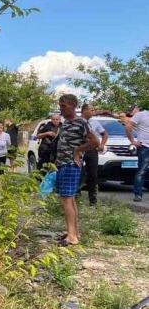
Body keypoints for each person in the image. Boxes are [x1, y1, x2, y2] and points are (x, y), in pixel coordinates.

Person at [55, 94, 99, 246]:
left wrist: (78, 150)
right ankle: (74, 232)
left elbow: (95, 141)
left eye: (64, 106)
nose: (61, 108)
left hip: (71, 164)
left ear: (73, 105)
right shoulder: (66, 122)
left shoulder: (82, 123)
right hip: (62, 164)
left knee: (66, 199)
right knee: (69, 198)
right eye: (60, 106)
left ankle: (72, 237)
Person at [79, 104, 107, 205]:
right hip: (80, 149)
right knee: (78, 173)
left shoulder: (94, 122)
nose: (94, 112)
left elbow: (104, 133)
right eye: (92, 110)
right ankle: (76, 196)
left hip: (91, 150)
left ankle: (93, 200)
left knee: (93, 175)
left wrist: (102, 144)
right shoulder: (78, 121)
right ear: (84, 111)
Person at [124, 104, 149, 202]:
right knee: (142, 171)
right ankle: (138, 194)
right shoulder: (141, 115)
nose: (131, 112)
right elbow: (128, 126)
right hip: (145, 147)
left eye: (132, 110)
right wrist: (132, 141)